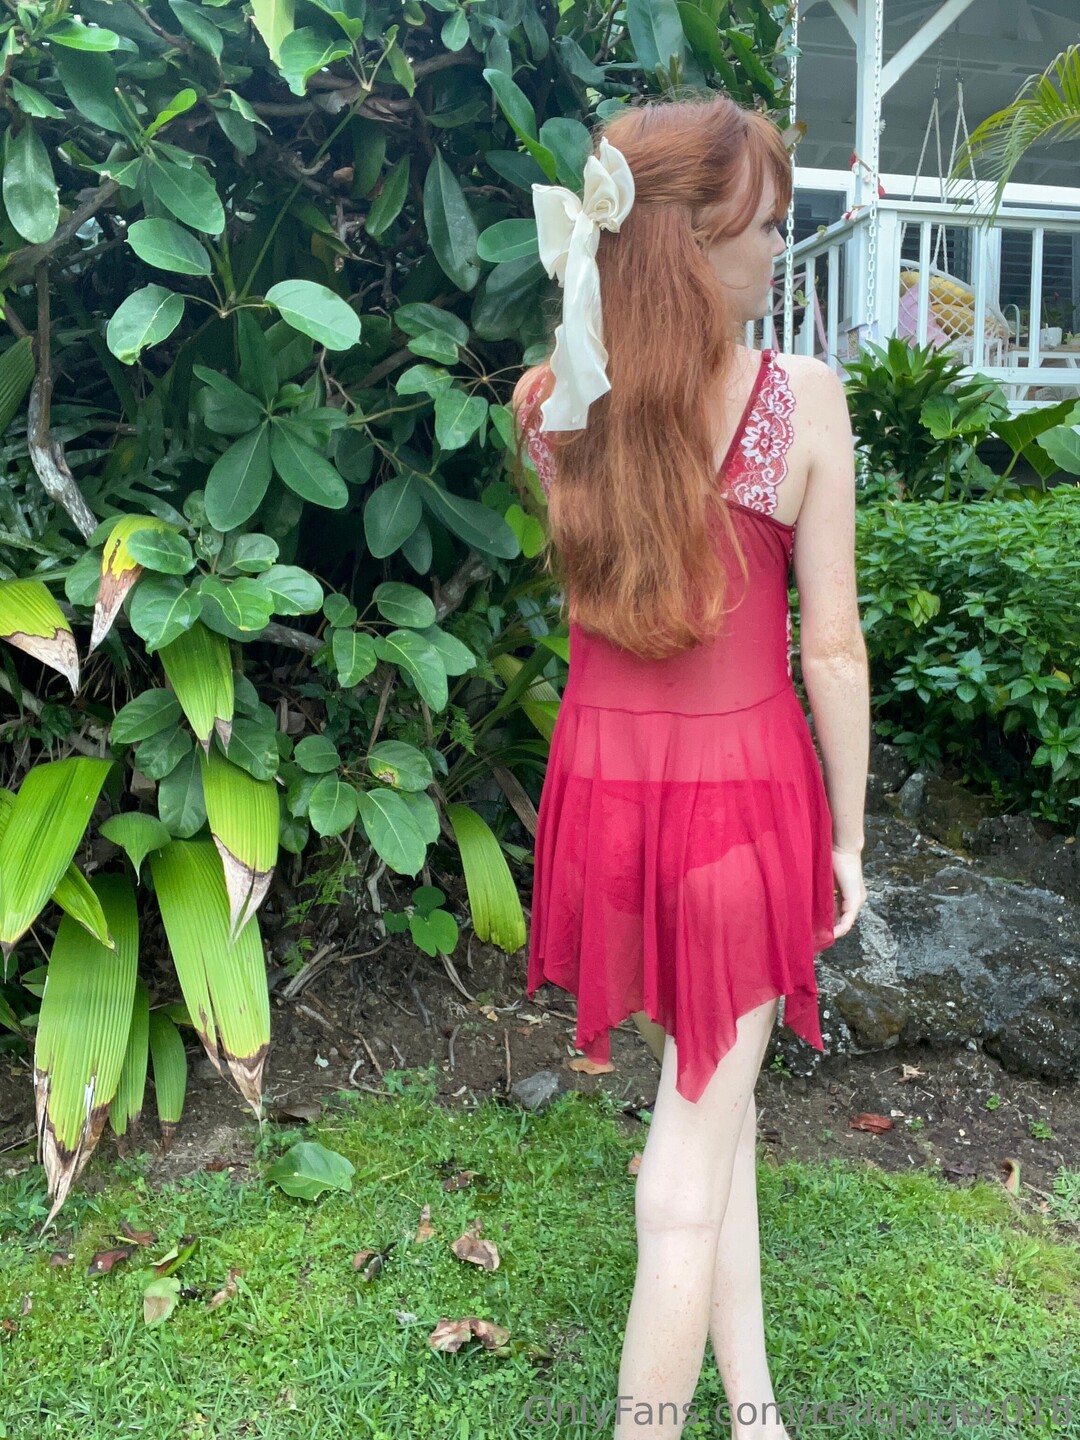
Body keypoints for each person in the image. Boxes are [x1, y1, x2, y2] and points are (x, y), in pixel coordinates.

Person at [510, 95, 869, 1440]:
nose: (780, 248)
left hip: (607, 803)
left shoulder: (551, 404)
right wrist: (848, 837)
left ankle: (754, 1407)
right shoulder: (802, 401)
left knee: (713, 1103)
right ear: (692, 245)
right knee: (682, 1175)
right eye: (764, 227)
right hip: (739, 810)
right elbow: (832, 649)